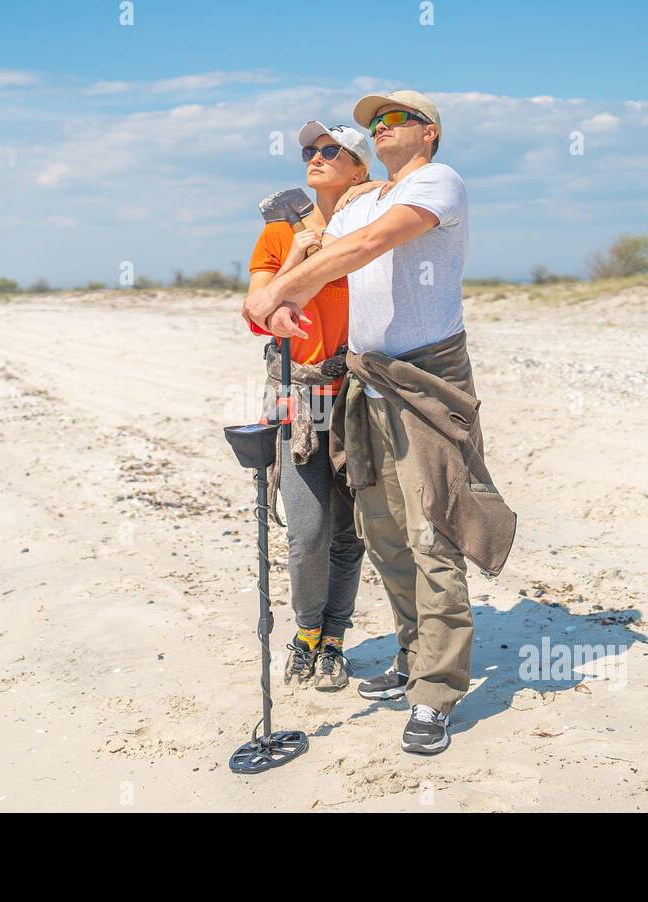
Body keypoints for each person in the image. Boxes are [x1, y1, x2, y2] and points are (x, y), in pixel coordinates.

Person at [243, 91, 517, 755]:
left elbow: (367, 245)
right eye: (374, 122)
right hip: (364, 382)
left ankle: (437, 690)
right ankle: (412, 652)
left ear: (428, 133)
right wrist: (277, 291)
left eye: (395, 120)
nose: (382, 128)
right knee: (384, 532)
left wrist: (288, 286)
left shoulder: (437, 183)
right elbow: (306, 257)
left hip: (426, 379)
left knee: (432, 534)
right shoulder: (362, 199)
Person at [243, 121, 370, 691]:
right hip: (298, 396)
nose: (314, 157)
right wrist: (297, 252)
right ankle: (307, 631)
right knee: (308, 530)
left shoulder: (375, 232)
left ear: (360, 169)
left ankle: (335, 638)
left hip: (362, 396)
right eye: (309, 151)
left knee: (352, 530)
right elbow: (255, 311)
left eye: (330, 151)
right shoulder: (278, 234)